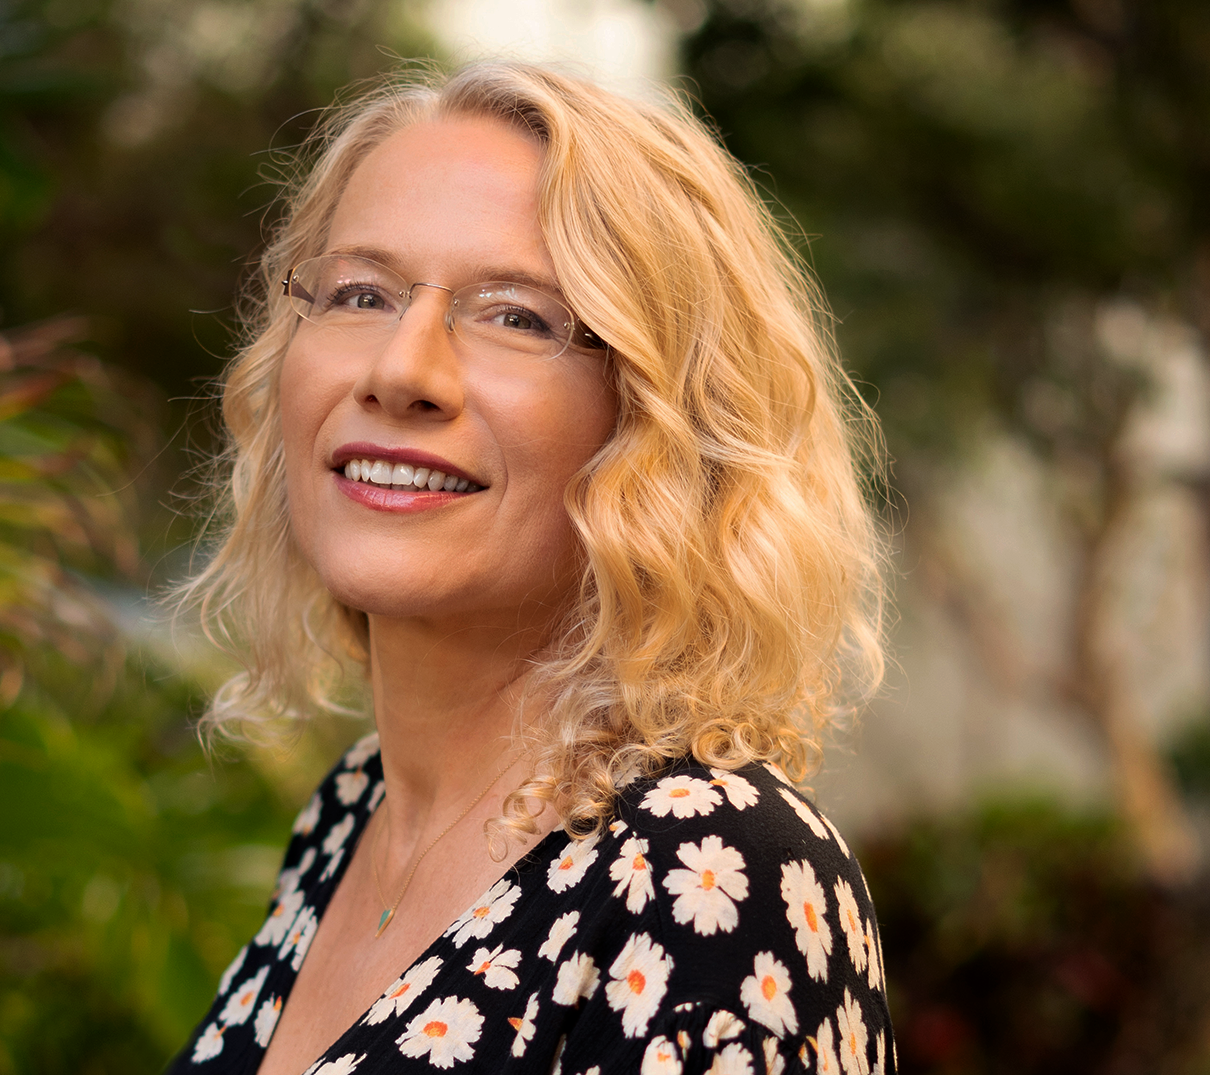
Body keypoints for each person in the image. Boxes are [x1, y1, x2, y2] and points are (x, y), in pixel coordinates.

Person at [172, 61, 893, 1075]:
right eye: (360, 293)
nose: (401, 370)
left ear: (660, 427)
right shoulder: (350, 813)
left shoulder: (708, 874)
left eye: (516, 315)